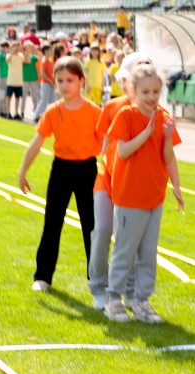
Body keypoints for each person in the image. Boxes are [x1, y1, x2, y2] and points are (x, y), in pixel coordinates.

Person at [104, 64, 184, 322]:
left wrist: (177, 186)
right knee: (125, 251)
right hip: (130, 197)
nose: (152, 97)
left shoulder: (163, 117)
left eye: (156, 92)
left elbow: (168, 157)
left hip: (154, 196)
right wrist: (147, 132)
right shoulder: (126, 115)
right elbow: (124, 151)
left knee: (148, 253)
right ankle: (113, 300)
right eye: (146, 92)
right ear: (133, 90)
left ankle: (141, 302)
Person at [17, 57, 103, 292]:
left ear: (81, 81)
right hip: (61, 171)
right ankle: (43, 276)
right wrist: (23, 171)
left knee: (92, 226)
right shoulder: (53, 111)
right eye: (60, 80)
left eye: (70, 80)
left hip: (87, 170)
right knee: (52, 224)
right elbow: (37, 142)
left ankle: (96, 279)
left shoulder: (95, 112)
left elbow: (106, 146)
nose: (65, 85)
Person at [89, 52, 151, 310]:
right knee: (103, 229)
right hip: (109, 179)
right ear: (124, 81)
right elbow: (104, 144)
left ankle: (131, 293)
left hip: (137, 184)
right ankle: (99, 287)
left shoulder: (156, 111)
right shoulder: (113, 107)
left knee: (135, 240)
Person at [33, 43, 60, 122]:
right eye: (50, 50)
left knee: (52, 101)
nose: (52, 51)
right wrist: (50, 81)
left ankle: (50, 116)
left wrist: (53, 81)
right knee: (44, 100)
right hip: (45, 83)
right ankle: (37, 115)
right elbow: (42, 73)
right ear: (46, 51)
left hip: (50, 83)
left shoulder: (50, 60)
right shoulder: (44, 60)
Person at [20, 41, 40, 119]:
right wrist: (26, 52)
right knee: (23, 96)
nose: (29, 49)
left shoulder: (34, 57)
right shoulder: (22, 56)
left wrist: (34, 50)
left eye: (30, 47)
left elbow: (40, 58)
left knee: (35, 97)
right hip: (25, 78)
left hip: (33, 78)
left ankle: (35, 112)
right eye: (27, 47)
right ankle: (22, 112)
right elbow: (26, 60)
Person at [5, 41, 24, 119]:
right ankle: (8, 112)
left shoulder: (21, 56)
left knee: (17, 97)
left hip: (19, 81)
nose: (16, 48)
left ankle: (16, 113)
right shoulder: (9, 55)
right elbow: (8, 60)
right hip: (11, 80)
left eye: (17, 46)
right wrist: (12, 52)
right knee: (8, 97)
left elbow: (25, 60)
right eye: (14, 46)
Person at [0, 41, 10, 118]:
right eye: (4, 47)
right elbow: (3, 57)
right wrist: (4, 51)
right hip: (3, 76)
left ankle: (4, 110)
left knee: (6, 95)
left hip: (9, 76)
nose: (6, 49)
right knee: (1, 94)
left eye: (7, 47)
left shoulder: (8, 55)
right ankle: (0, 110)